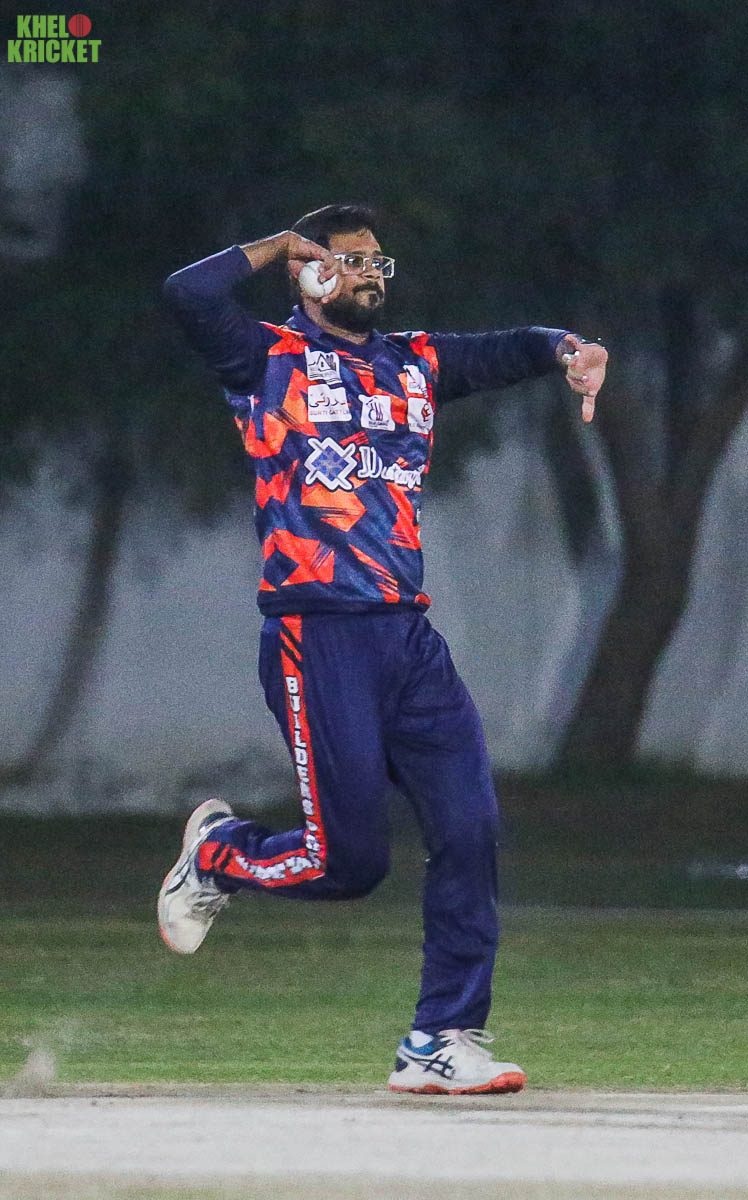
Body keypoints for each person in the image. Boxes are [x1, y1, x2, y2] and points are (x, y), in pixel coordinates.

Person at [159, 204, 608, 1095]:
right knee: (347, 864)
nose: (369, 274)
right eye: (349, 260)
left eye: (377, 263)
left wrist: (568, 349)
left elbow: (509, 347)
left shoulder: (414, 362)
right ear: (308, 271)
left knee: (471, 828)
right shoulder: (265, 358)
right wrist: (277, 246)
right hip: (316, 632)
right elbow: (187, 293)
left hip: (408, 637)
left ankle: (440, 1038)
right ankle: (219, 855)